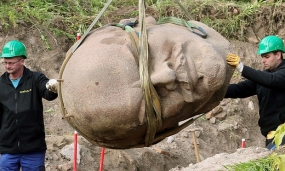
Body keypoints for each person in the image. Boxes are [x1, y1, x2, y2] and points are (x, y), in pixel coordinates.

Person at [0, 40, 59, 171]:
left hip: (33, 150)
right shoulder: (1, 84)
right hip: (8, 150)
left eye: (11, 62)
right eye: (5, 62)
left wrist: (53, 87)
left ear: (22, 61)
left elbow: (48, 93)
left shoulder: (35, 79)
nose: (7, 66)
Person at [225, 35, 285, 150]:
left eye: (267, 57)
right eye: (262, 57)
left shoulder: (280, 74)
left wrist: (242, 68)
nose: (263, 60)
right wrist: (216, 92)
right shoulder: (265, 76)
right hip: (272, 137)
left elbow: (271, 80)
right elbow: (241, 89)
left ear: (278, 55)